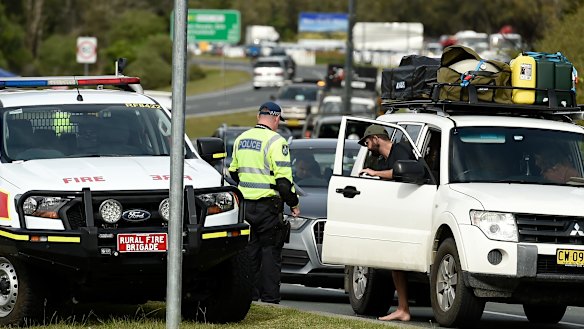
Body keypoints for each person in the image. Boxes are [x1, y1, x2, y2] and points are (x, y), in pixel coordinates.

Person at [228, 101, 300, 304]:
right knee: (270, 253)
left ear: (259, 117)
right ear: (276, 118)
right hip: (268, 207)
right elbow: (284, 183)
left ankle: (249, 297)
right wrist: (293, 203)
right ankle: (270, 300)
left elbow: (233, 172)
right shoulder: (277, 142)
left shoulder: (241, 139)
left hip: (244, 206)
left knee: (248, 253)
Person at [358, 124, 415, 322]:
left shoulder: (400, 150)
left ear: (375, 138)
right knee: (395, 264)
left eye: (367, 141)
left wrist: (374, 173)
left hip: (411, 214)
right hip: (398, 215)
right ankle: (402, 308)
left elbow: (400, 172)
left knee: (397, 263)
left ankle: (403, 308)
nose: (366, 146)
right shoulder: (384, 159)